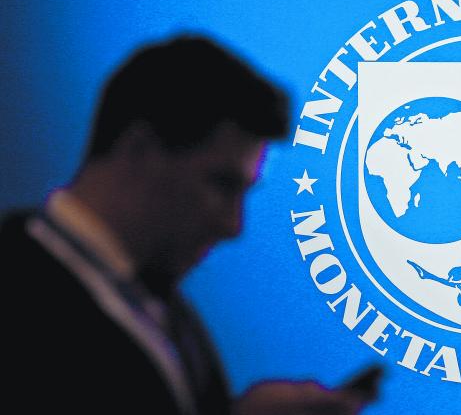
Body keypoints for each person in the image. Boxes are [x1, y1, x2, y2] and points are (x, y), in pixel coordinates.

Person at [1, 36, 377, 414]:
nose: (234, 226)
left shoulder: (159, 303)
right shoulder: (17, 292)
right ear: (139, 150)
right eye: (221, 184)